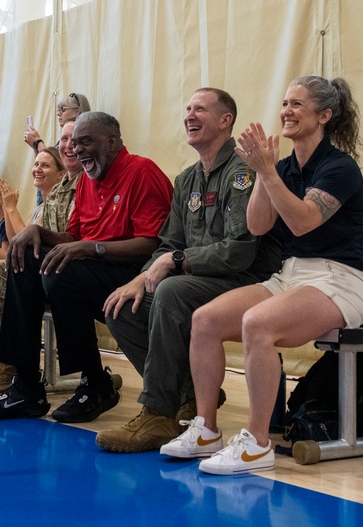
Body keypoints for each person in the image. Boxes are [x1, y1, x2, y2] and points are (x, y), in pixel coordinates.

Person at [160, 75, 363, 476]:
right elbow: (257, 225)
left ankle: (256, 444)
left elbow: (305, 221)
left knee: (257, 324)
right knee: (204, 320)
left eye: (297, 105)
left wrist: (268, 174)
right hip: (291, 276)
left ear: (324, 116)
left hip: (337, 281)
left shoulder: (340, 167)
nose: (286, 111)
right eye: (285, 103)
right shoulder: (284, 167)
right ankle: (206, 430)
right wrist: (263, 173)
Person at [96, 88, 283, 453]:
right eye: (187, 109)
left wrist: (178, 263)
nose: (189, 116)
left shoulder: (243, 172)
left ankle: (157, 413)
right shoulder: (186, 181)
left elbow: (240, 251)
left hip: (246, 281)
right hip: (200, 282)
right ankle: (189, 397)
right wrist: (138, 278)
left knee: (171, 292)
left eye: (200, 109)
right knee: (121, 304)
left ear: (225, 120)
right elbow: (168, 245)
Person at [0, 111, 173, 423]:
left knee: (61, 271)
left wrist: (91, 248)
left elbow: (154, 243)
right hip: (94, 268)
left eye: (86, 142)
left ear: (113, 141)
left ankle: (94, 381)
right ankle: (24, 385)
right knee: (25, 256)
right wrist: (41, 234)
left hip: (136, 272)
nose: (77, 150)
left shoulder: (142, 171)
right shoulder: (88, 180)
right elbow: (75, 237)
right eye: (74, 143)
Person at [0, 129, 80, 407]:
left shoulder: (70, 198)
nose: (37, 168)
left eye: (45, 165)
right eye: (36, 164)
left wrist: (10, 208)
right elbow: (18, 241)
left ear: (60, 174)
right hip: (35, 271)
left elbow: (30, 249)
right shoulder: (41, 207)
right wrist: (10, 209)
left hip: (55, 274)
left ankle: (10, 368)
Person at [24, 92, 91, 152]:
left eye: (63, 110)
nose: (58, 114)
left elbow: (55, 162)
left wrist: (37, 142)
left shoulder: (81, 139)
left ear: (78, 111)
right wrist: (35, 147)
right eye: (58, 110)